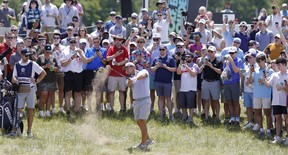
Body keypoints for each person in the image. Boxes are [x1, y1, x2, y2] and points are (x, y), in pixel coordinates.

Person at [11, 48, 47, 138]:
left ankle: (29, 131)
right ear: (21, 55)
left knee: (30, 110)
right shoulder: (17, 65)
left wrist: (36, 81)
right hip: (20, 89)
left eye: (28, 55)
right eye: (25, 55)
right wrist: (15, 80)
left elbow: (43, 73)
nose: (27, 57)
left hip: (30, 89)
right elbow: (13, 78)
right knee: (18, 110)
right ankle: (16, 129)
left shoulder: (32, 63)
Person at [60, 37, 96, 116]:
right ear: (69, 42)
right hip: (68, 73)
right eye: (71, 42)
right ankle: (68, 110)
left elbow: (85, 61)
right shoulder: (65, 51)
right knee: (68, 92)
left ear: (77, 43)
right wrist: (71, 58)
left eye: (74, 42)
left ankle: (77, 110)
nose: (73, 43)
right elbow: (62, 64)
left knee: (78, 93)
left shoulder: (80, 51)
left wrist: (80, 53)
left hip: (78, 73)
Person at [125, 62, 154, 150]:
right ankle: (148, 139)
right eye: (125, 69)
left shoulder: (143, 71)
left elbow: (144, 75)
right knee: (138, 121)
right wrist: (131, 80)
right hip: (136, 101)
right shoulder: (128, 78)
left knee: (142, 120)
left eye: (127, 68)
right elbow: (129, 84)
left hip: (145, 100)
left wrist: (135, 78)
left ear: (133, 67)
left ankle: (143, 144)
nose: (126, 70)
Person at [262, 57, 288, 144]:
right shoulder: (275, 75)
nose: (278, 66)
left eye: (279, 65)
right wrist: (264, 80)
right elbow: (268, 85)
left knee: (287, 119)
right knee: (277, 119)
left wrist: (283, 87)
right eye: (277, 65)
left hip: (286, 102)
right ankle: (278, 137)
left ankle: (287, 138)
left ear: (284, 65)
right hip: (276, 101)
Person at [247, 53, 273, 136]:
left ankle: (269, 130)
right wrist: (251, 73)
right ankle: (261, 129)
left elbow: (269, 82)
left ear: (264, 60)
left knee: (267, 113)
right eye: (257, 61)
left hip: (266, 95)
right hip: (256, 95)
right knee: (258, 112)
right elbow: (250, 82)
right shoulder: (256, 70)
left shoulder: (270, 70)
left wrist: (263, 80)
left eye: (260, 60)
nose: (258, 62)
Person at [151, 44, 176, 120]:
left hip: (167, 82)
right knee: (160, 98)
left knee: (168, 98)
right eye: (160, 50)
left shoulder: (170, 59)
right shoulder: (156, 59)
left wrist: (166, 67)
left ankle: (170, 115)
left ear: (166, 50)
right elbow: (151, 69)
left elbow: (174, 69)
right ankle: (161, 115)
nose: (161, 51)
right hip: (158, 81)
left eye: (163, 49)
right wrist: (156, 66)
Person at [198, 46, 223, 120]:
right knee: (206, 100)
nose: (210, 53)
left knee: (215, 100)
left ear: (215, 52)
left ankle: (217, 116)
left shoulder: (218, 61)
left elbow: (220, 72)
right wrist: (203, 65)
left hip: (215, 82)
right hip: (205, 81)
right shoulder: (205, 60)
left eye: (212, 52)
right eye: (209, 51)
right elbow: (199, 71)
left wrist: (212, 67)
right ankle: (206, 116)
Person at [106, 35, 129, 112]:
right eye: (116, 39)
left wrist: (118, 64)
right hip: (112, 74)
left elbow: (126, 59)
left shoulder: (124, 49)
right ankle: (112, 109)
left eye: (120, 40)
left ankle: (122, 109)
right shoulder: (111, 49)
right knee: (111, 92)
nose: (118, 41)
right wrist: (116, 55)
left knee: (122, 91)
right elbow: (108, 58)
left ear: (122, 41)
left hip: (122, 74)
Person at [222, 46, 243, 125]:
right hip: (227, 83)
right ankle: (232, 117)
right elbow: (224, 73)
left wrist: (231, 61)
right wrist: (227, 65)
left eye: (233, 53)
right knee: (229, 101)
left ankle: (237, 118)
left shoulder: (239, 60)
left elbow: (236, 70)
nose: (231, 54)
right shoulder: (225, 62)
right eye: (230, 53)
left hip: (235, 83)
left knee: (236, 101)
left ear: (236, 53)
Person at [36, 44, 58, 117]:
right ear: (44, 51)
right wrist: (45, 66)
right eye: (46, 52)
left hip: (51, 79)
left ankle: (48, 111)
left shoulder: (53, 58)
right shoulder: (40, 58)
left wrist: (51, 67)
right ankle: (41, 111)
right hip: (43, 80)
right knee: (43, 95)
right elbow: (36, 68)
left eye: (49, 52)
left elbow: (56, 69)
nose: (48, 53)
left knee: (50, 95)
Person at [176, 52, 198, 123]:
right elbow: (178, 72)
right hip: (183, 88)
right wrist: (180, 63)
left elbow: (194, 74)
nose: (187, 58)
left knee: (191, 105)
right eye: (186, 57)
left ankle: (190, 117)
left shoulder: (195, 65)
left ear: (192, 58)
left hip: (191, 88)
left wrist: (187, 67)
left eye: (189, 57)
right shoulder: (182, 66)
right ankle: (185, 115)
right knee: (182, 104)